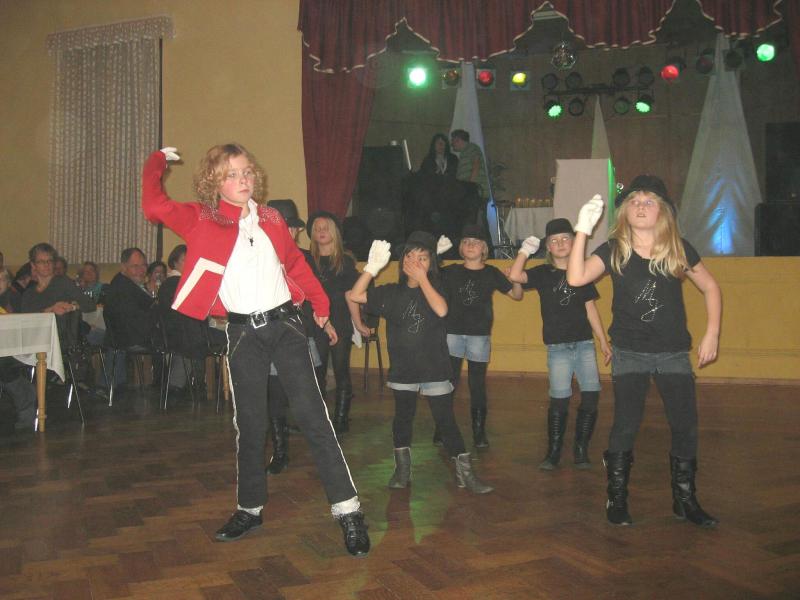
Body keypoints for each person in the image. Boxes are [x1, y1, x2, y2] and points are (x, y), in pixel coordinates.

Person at [142, 143, 369, 555]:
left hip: (286, 327)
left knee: (314, 418)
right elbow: (154, 206)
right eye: (231, 174)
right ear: (214, 182)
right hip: (243, 334)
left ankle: (348, 511)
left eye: (246, 171)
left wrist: (320, 305)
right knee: (249, 424)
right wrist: (157, 161)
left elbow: (294, 264)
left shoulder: (271, 218)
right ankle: (249, 508)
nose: (242, 179)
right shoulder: (201, 218)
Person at [566, 176, 721, 528]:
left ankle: (685, 500)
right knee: (626, 424)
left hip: (672, 351)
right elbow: (576, 278)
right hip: (630, 351)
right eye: (634, 200)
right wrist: (582, 230)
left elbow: (711, 287)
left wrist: (712, 333)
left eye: (649, 201)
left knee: (685, 425)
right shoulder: (614, 249)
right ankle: (617, 498)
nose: (640, 205)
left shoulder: (677, 248)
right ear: (624, 211)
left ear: (662, 211)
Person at [347, 231, 494, 494]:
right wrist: (371, 268)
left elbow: (441, 310)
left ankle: (466, 474)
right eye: (410, 256)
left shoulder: (439, 287)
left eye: (423, 258)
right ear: (402, 261)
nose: (415, 262)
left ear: (431, 263)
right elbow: (355, 295)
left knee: (445, 419)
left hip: (434, 366)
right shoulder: (391, 292)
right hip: (404, 368)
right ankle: (402, 471)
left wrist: (424, 278)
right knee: (403, 418)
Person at [508, 218, 611, 470]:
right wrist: (524, 251)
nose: (561, 243)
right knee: (559, 399)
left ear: (575, 243)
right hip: (558, 347)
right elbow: (515, 275)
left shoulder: (584, 272)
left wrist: (603, 340)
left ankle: (580, 449)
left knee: (591, 396)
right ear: (548, 247)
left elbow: (590, 308)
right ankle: (553, 451)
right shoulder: (543, 273)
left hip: (584, 344)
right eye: (554, 240)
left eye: (566, 238)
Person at [440, 224, 522, 448]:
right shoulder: (450, 271)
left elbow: (516, 295)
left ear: (484, 248)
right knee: (449, 382)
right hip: (452, 333)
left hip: (479, 335)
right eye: (466, 242)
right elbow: (427, 278)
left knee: (477, 384)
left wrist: (515, 278)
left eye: (476, 242)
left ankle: (479, 431)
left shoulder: (491, 273)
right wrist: (436, 254)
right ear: (460, 247)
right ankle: (442, 427)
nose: (470, 245)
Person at [307, 211, 369, 433]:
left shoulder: (345, 261)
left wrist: (358, 324)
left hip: (340, 320)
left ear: (334, 232)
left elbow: (350, 295)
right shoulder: (307, 260)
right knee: (317, 373)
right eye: (317, 228)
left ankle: (341, 420)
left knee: (341, 370)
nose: (321, 231)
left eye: (325, 227)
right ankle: (320, 420)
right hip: (315, 323)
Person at [21, 243, 94, 315]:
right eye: (41, 262)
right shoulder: (29, 294)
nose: (46, 264)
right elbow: (25, 318)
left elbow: (90, 304)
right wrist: (50, 310)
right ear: (33, 265)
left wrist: (72, 307)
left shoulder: (63, 283)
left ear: (54, 263)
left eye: (50, 261)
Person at [451, 129, 490, 232]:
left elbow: (476, 165)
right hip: (471, 192)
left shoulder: (472, 148)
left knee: (476, 221)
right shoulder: (464, 153)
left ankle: (484, 241)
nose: (452, 144)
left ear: (458, 140)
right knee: (473, 221)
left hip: (476, 192)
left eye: (453, 141)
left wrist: (470, 186)